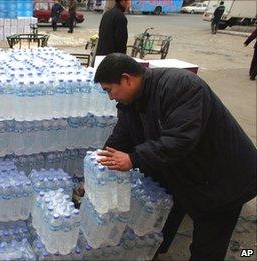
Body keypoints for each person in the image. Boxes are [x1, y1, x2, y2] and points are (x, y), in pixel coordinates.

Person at [94, 53, 256, 260]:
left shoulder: (182, 86)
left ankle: (243, 254)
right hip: (185, 172)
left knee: (207, 245)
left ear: (126, 79)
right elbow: (122, 136)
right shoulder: (131, 102)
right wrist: (99, 165)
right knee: (162, 220)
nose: (110, 97)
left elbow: (180, 140)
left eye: (109, 90)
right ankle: (155, 252)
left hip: (223, 179)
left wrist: (134, 159)